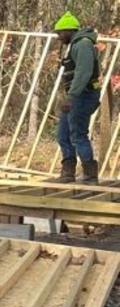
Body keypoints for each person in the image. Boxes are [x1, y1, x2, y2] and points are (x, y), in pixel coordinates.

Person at [52, 11, 102, 184]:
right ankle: (68, 172)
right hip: (75, 96)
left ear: (69, 30)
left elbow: (84, 72)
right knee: (63, 134)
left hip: (84, 95)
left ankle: (90, 174)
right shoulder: (74, 45)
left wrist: (71, 97)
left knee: (78, 134)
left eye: (60, 33)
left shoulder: (83, 44)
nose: (59, 37)